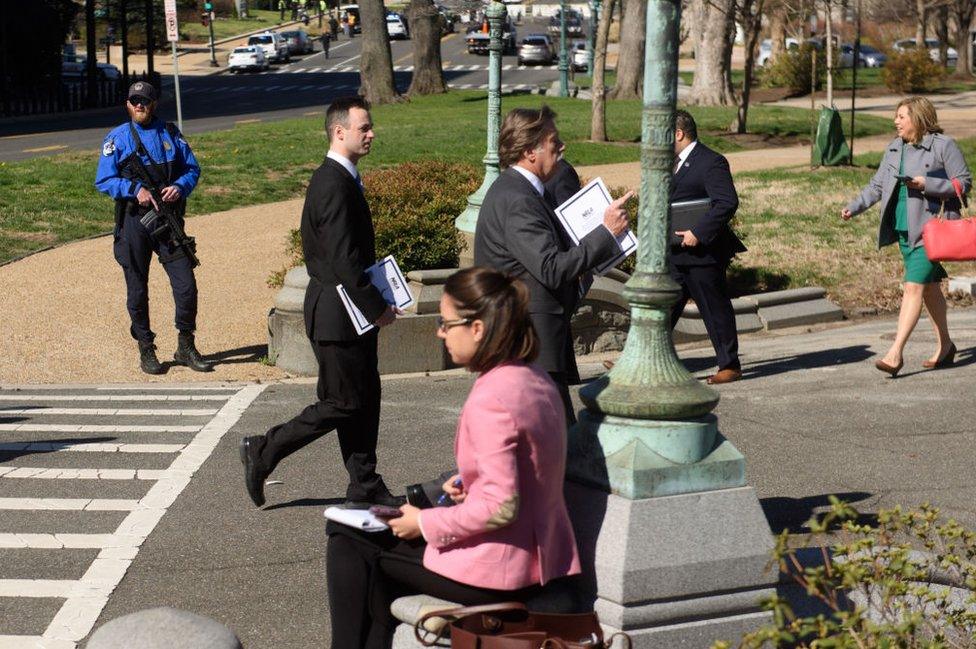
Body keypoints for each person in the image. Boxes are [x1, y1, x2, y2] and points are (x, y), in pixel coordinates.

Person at [326, 267, 583, 649]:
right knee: (372, 556)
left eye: (447, 324)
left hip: (501, 569)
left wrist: (426, 523)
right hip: (545, 557)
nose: (440, 332)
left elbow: (501, 507)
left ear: (477, 328)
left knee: (349, 538)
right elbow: (526, 471)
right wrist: (470, 483)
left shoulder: (491, 399)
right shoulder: (535, 378)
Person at [239, 97, 400, 508]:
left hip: (348, 315)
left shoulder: (342, 179)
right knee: (343, 403)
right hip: (338, 314)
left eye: (370, 126)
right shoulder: (331, 183)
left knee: (365, 398)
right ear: (339, 131)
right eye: (364, 127)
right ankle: (264, 449)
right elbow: (344, 261)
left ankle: (365, 483)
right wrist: (377, 306)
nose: (371, 133)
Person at [475, 106, 632, 425]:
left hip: (534, 338)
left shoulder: (526, 193)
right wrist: (606, 233)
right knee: (557, 446)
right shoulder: (518, 199)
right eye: (553, 141)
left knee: (549, 446)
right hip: (529, 340)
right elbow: (551, 267)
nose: (561, 147)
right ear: (530, 151)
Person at [842, 96, 972, 377]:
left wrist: (929, 184)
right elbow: (877, 185)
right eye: (896, 116)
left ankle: (895, 353)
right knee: (928, 287)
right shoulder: (894, 148)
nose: (896, 121)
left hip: (931, 230)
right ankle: (946, 346)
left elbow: (963, 182)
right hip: (903, 228)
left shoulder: (943, 145)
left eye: (902, 116)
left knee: (913, 286)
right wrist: (854, 207)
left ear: (919, 118)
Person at [95, 81, 212, 376]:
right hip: (134, 221)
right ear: (127, 104)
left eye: (144, 101)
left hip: (168, 221)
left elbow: (192, 169)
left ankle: (185, 345)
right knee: (137, 289)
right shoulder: (117, 138)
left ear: (154, 104)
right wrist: (134, 189)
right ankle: (146, 348)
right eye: (134, 101)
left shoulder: (170, 133)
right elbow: (103, 180)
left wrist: (179, 187)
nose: (139, 105)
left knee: (186, 285)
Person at [669, 110, 747, 384]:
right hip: (676, 253)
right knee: (662, 308)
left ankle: (730, 365)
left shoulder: (711, 161)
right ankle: (641, 360)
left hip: (703, 253)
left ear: (678, 133)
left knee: (714, 309)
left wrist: (698, 233)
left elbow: (726, 202)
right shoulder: (670, 164)